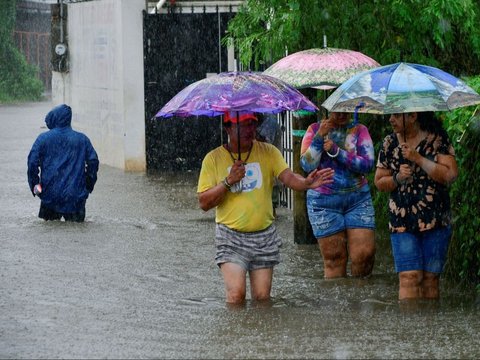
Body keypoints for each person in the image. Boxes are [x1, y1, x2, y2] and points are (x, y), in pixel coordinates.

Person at [197, 111, 334, 304]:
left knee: (262, 299)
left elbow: (288, 177)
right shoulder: (213, 159)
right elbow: (203, 203)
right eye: (242, 125)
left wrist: (306, 183)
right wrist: (228, 181)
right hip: (230, 237)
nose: (249, 130)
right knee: (236, 296)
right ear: (227, 127)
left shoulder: (268, 152)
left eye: (252, 124)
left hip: (264, 236)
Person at [374, 112, 458, 300]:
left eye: (396, 115)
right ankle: (408, 329)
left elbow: (450, 175)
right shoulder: (389, 143)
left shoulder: (437, 138)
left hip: (436, 219)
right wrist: (397, 178)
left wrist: (418, 158)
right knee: (408, 277)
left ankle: (428, 328)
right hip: (401, 220)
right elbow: (379, 182)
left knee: (430, 279)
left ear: (412, 116)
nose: (391, 119)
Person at [300, 112, 376, 278]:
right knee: (334, 258)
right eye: (337, 110)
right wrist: (319, 137)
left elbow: (368, 164)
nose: (341, 114)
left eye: (345, 109)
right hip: (323, 201)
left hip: (358, 199)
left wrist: (337, 151)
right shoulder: (314, 129)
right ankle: (337, 302)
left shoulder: (359, 130)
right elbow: (306, 165)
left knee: (364, 256)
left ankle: (360, 300)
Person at [27, 104, 99, 222]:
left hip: (49, 196)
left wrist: (36, 188)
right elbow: (93, 162)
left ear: (54, 118)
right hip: (75, 197)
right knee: (77, 234)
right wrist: (87, 186)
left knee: (49, 236)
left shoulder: (42, 139)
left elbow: (32, 164)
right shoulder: (82, 139)